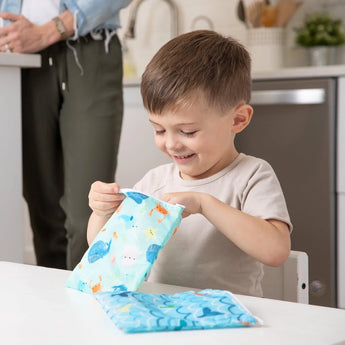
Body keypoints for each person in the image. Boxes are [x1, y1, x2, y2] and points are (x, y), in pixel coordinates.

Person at [87, 30, 292, 297]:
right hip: (162, 313)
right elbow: (105, 248)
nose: (171, 144)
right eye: (159, 130)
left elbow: (276, 251)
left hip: (227, 325)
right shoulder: (156, 181)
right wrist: (102, 212)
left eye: (188, 132)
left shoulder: (251, 176)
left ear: (238, 120)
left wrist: (205, 204)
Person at [0, 0, 132, 270]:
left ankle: (88, 301)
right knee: (44, 214)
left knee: (89, 213)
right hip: (17, 56)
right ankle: (57, 307)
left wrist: (52, 29)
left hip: (90, 46)